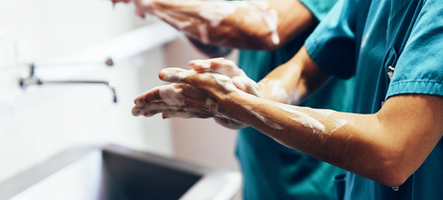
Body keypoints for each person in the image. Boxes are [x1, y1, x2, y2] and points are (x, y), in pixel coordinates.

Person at [132, 0, 443, 199]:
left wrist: (238, 105)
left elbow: (391, 153)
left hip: (308, 176)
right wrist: (253, 95)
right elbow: (303, 68)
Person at [115, 0, 353, 199]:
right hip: (258, 153)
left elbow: (265, 28)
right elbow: (218, 44)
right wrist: (243, 103)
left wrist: (155, 2)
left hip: (310, 165)